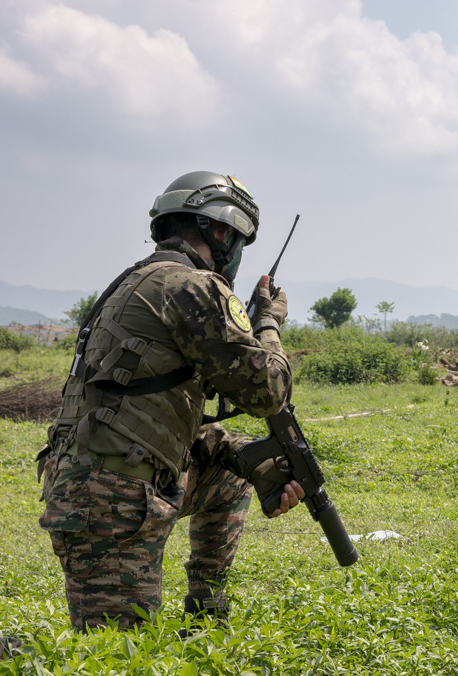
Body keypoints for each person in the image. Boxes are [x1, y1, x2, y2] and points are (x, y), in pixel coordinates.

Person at [38, 172, 305, 633]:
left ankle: (205, 623)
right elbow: (268, 391)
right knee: (114, 669)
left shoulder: (140, 281)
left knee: (229, 481)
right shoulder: (191, 286)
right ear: (219, 232)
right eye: (237, 240)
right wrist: (268, 323)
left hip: (111, 482)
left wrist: (245, 458)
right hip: (110, 497)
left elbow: (158, 414)